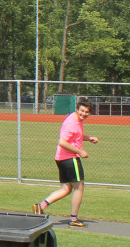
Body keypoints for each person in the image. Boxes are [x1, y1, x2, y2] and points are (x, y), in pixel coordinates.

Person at [33, 97, 99, 227]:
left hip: (61, 158)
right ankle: (73, 219)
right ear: (77, 109)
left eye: (87, 112)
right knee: (79, 187)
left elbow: (75, 137)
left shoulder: (76, 119)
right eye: (82, 111)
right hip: (69, 158)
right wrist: (80, 152)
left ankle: (40, 207)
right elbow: (62, 142)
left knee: (66, 188)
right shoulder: (72, 122)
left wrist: (88, 138)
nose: (84, 114)